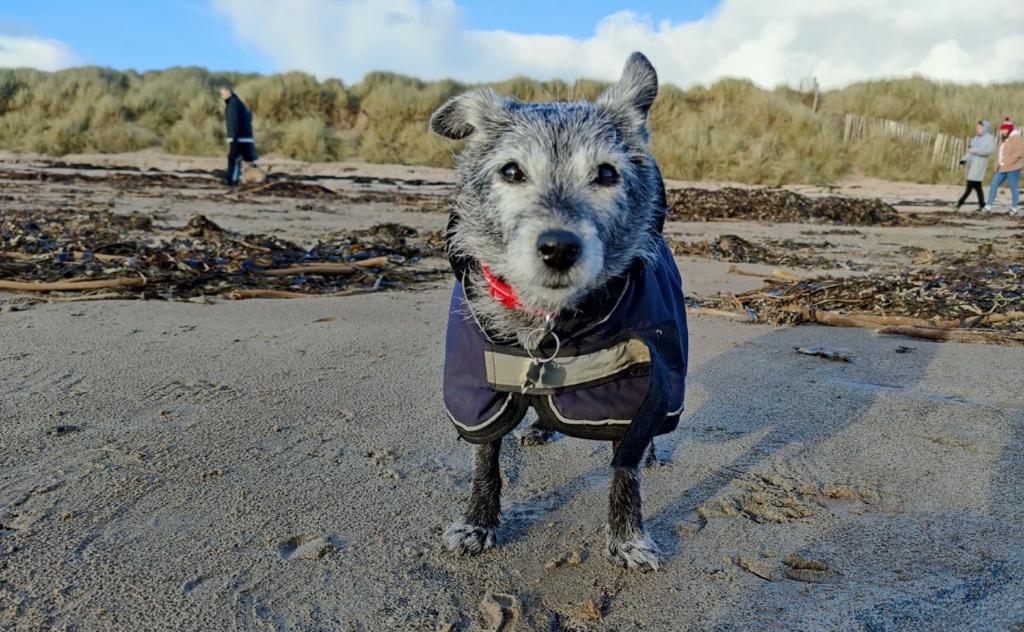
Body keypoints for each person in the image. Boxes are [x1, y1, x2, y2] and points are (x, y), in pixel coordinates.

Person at [220, 84, 258, 186]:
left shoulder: (233, 104)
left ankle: (232, 180)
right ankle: (252, 177)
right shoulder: (237, 103)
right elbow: (248, 117)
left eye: (223, 94)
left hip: (238, 137)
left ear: (228, 92)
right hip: (243, 137)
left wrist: (234, 137)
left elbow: (234, 122)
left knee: (234, 158)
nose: (222, 96)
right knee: (248, 159)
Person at [985, 117, 1022, 216]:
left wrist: (1008, 162)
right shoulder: (1004, 139)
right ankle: (988, 205)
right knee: (993, 184)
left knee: (1013, 187)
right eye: (1001, 129)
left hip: (1013, 168)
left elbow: (1019, 152)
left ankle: (1014, 207)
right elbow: (1000, 152)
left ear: (1008, 129)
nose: (1001, 131)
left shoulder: (1017, 138)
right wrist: (997, 162)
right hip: (1002, 167)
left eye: (1003, 129)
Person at [955, 120, 995, 211]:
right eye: (977, 127)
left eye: (979, 128)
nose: (977, 129)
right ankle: (982, 205)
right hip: (972, 164)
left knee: (970, 184)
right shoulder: (975, 138)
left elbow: (990, 151)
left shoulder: (990, 138)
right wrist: (964, 159)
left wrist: (977, 151)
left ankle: (959, 203)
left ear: (984, 128)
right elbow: (970, 150)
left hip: (979, 164)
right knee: (977, 186)